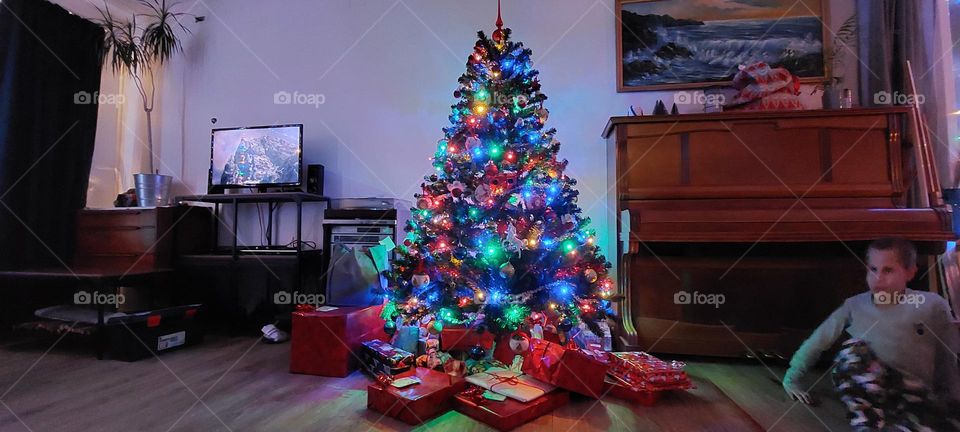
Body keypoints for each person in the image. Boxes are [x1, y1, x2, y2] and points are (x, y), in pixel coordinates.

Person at [782, 237, 960, 431]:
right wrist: (792, 378)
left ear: (910, 272)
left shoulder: (931, 305)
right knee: (853, 353)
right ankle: (869, 421)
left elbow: (947, 354)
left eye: (888, 270)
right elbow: (818, 341)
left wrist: (950, 399)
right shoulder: (855, 305)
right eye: (873, 269)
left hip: (913, 393)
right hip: (868, 389)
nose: (878, 278)